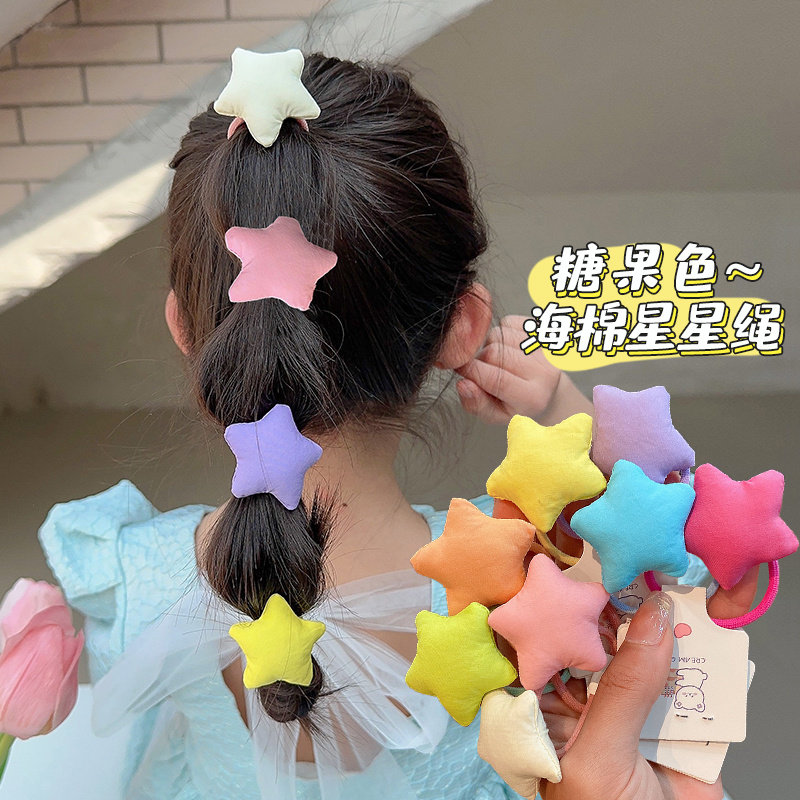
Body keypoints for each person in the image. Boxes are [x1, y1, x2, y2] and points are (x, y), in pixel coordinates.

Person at [36, 52, 752, 800]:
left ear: (186, 330)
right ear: (461, 326)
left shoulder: (133, 576)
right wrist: (560, 414)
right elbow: (679, 569)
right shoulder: (515, 580)